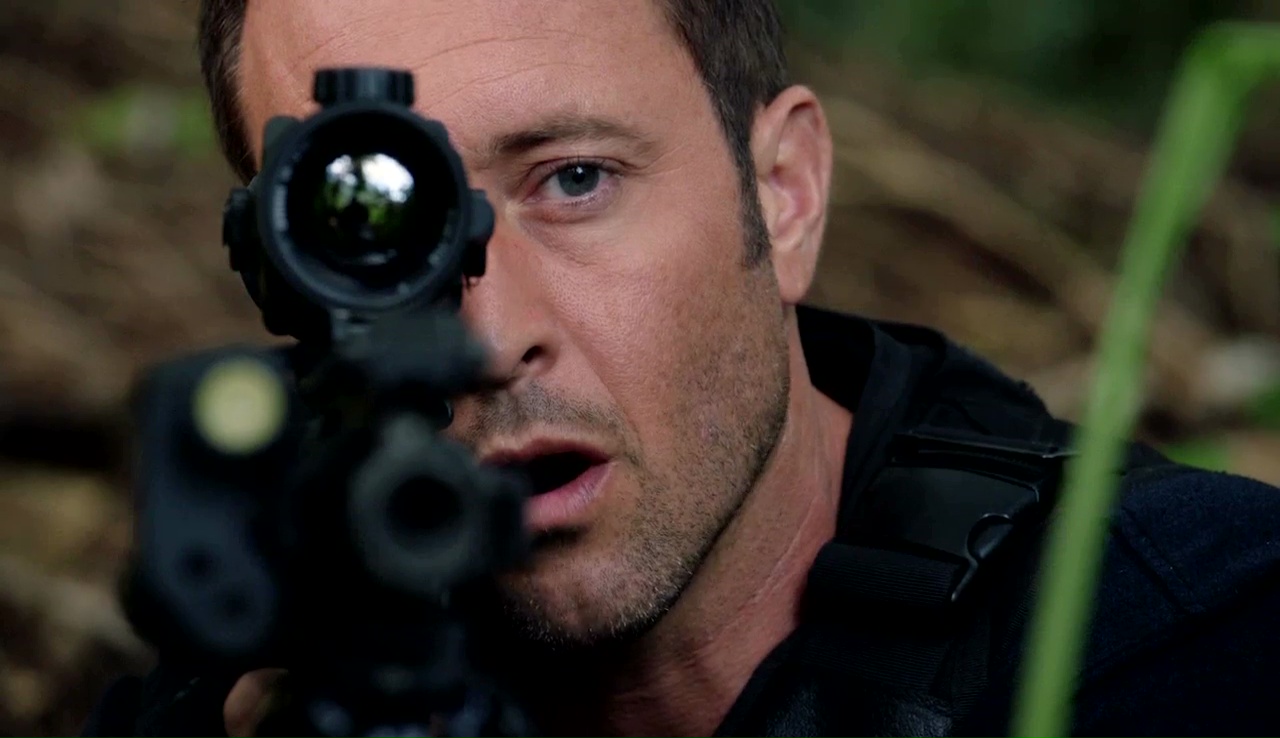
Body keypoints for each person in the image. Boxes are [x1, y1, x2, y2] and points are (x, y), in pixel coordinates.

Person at [79, 1, 1280, 737]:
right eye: (375, 227)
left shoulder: (1178, 634)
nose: (489, 337)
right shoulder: (254, 674)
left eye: (574, 180)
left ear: (783, 192)